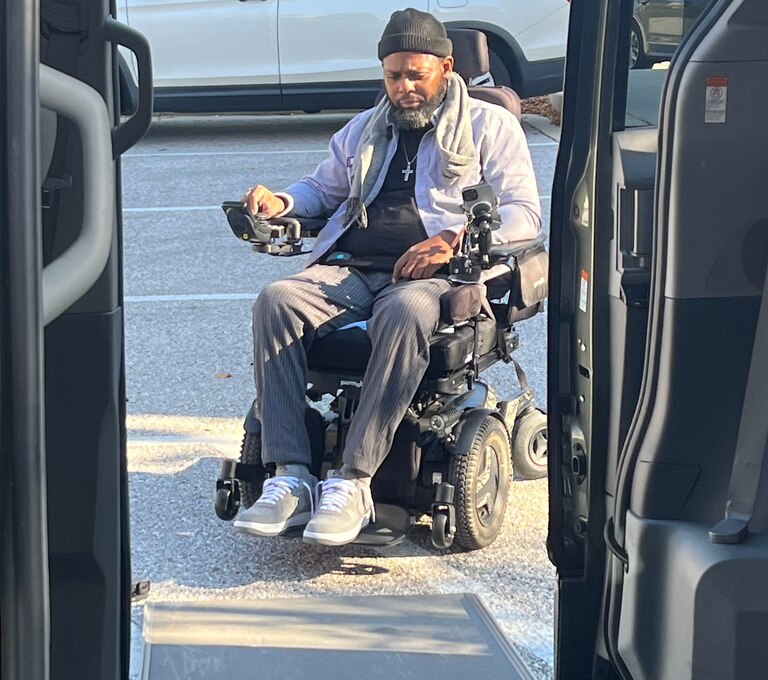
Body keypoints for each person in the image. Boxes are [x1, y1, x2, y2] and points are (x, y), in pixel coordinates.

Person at [233, 8, 541, 546]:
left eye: (415, 75)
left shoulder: (490, 126)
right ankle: (291, 475)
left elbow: (524, 214)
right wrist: (280, 201)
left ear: (446, 67)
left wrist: (453, 242)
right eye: (393, 76)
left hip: (442, 276)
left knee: (403, 310)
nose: (404, 89)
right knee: (276, 299)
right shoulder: (365, 129)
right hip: (355, 268)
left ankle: (354, 480)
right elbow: (321, 192)